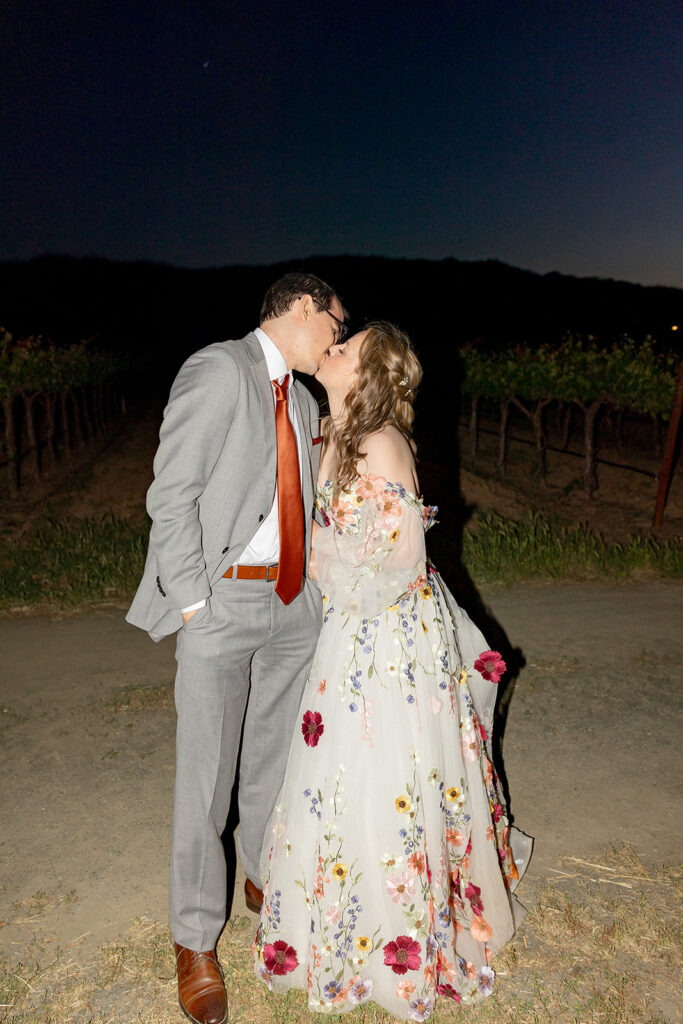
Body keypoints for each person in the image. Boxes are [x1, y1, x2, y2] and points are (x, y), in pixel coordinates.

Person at [253, 322, 532, 1020]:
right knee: (333, 768)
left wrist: (338, 591)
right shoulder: (334, 436)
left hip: (387, 633)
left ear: (367, 372)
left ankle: (399, 931)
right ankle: (339, 917)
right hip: (348, 626)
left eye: (347, 347)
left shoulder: (381, 442)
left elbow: (403, 558)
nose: (335, 347)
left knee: (384, 766)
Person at [126, 272, 347, 1024]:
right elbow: (171, 492)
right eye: (335, 324)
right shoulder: (221, 369)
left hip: (293, 605)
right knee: (206, 776)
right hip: (222, 600)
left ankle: (263, 882)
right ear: (302, 308)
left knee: (275, 764)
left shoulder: (311, 400)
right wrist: (194, 603)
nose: (337, 340)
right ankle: (193, 940)